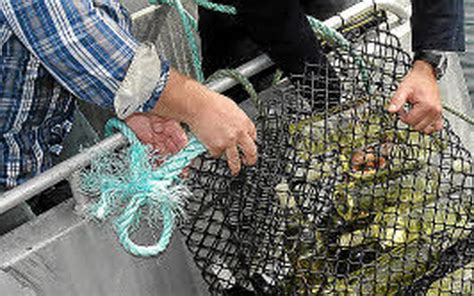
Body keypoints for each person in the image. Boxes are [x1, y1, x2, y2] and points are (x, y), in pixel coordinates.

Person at [0, 0, 258, 234]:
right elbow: (76, 34)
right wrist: (200, 106)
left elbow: (98, 12)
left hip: (42, 126)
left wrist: (136, 105)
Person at [200, 0, 465, 134]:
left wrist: (427, 63)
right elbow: (268, 10)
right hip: (245, 18)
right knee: (252, 130)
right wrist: (333, 102)